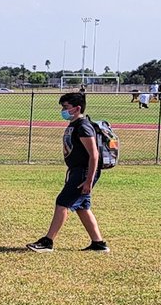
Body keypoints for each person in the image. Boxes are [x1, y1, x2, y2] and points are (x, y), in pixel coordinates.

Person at [25, 91, 109, 253]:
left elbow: (94, 155)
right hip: (77, 171)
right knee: (82, 207)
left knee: (62, 202)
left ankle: (47, 242)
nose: (63, 110)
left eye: (66, 107)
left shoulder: (83, 126)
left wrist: (89, 180)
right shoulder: (74, 125)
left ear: (77, 108)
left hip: (84, 172)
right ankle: (98, 244)